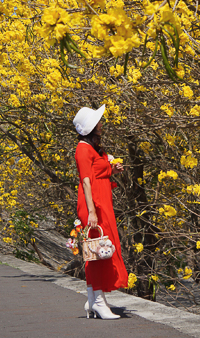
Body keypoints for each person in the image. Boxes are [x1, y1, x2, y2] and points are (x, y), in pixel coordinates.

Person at [74, 104, 128, 320]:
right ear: (91, 128)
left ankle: (93, 298)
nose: (101, 125)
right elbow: (86, 182)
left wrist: (111, 169)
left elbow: (97, 173)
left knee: (100, 249)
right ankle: (98, 302)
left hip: (102, 203)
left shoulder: (93, 148)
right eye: (98, 122)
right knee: (97, 252)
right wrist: (91, 211)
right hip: (93, 204)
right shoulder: (82, 149)